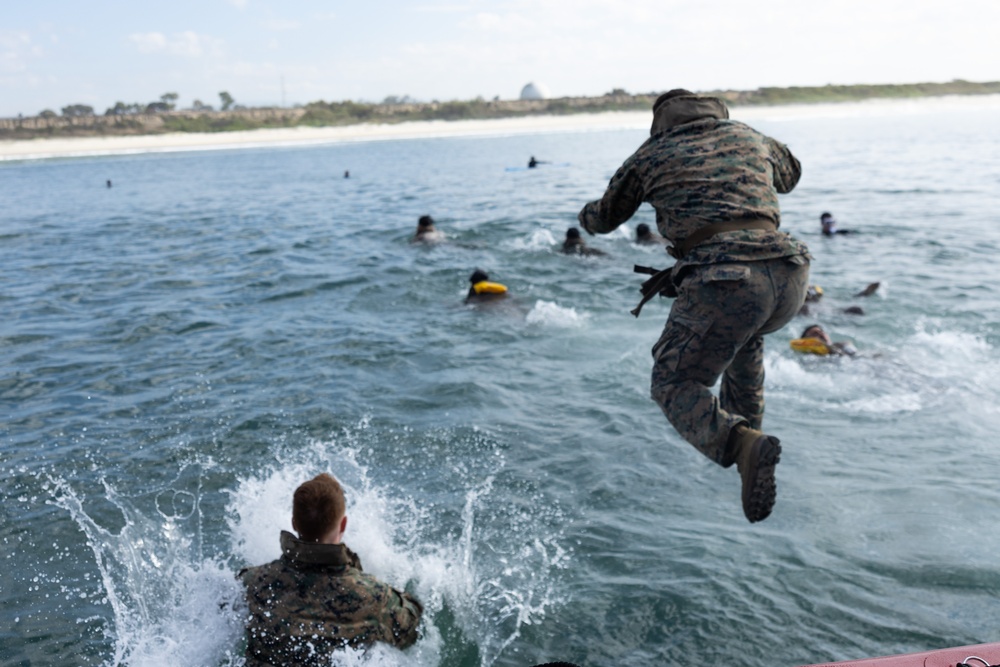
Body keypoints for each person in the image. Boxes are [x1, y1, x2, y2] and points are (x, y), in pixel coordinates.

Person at [577, 88, 810, 523]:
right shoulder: (747, 135)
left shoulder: (650, 153)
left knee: (672, 382)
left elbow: (604, 218)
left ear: (659, 124)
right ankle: (749, 443)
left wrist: (583, 215)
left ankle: (742, 446)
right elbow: (791, 175)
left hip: (725, 278)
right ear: (718, 115)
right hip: (790, 273)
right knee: (744, 342)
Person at [239, 473, 423, 664]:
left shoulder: (253, 582)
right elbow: (410, 632)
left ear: (294, 522)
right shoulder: (375, 597)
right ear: (343, 523)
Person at [790, 324, 857, 356]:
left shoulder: (843, 345)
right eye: (815, 333)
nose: (820, 334)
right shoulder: (808, 356)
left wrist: (830, 349)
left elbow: (855, 356)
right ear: (806, 342)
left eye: (821, 331)